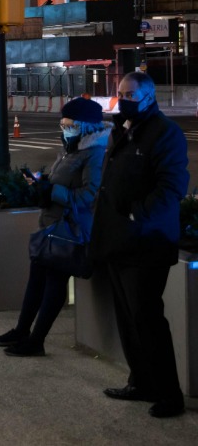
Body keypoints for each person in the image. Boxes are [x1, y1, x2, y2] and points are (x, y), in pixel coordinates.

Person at [90, 72, 188, 418]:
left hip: (146, 243)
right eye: (121, 93)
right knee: (128, 319)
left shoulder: (165, 133)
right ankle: (141, 382)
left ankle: (169, 394)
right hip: (117, 240)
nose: (124, 99)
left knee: (147, 320)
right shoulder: (123, 129)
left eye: (130, 94)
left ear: (149, 96)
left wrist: (136, 213)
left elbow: (172, 186)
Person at [0, 97, 110, 357]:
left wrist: (52, 191)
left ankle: (37, 340)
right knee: (36, 280)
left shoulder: (94, 154)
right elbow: (62, 181)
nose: (65, 129)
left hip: (68, 230)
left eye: (70, 125)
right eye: (63, 125)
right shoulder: (71, 148)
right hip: (50, 226)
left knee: (54, 285)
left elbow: (89, 196)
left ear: (85, 126)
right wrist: (42, 182)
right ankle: (22, 330)